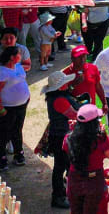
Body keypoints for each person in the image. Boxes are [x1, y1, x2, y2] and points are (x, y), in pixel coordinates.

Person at [65, 103, 109, 214]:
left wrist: (73, 129)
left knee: (76, 210)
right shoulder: (100, 139)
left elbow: (66, 149)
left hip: (74, 178)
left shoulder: (69, 138)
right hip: (94, 180)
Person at [43, 70, 80, 209]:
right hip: (60, 138)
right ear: (59, 87)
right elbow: (74, 115)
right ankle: (58, 197)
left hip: (61, 135)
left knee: (65, 165)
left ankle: (65, 193)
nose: (67, 83)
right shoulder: (59, 100)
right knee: (60, 167)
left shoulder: (58, 96)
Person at [0, 45, 30, 170]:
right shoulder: (1, 72)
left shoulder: (18, 66)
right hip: (7, 107)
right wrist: (0, 108)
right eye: (18, 54)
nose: (20, 56)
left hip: (21, 105)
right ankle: (2, 158)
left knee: (17, 130)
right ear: (12, 57)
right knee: (4, 132)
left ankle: (19, 153)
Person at [63, 45, 107, 109]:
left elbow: (98, 86)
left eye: (84, 56)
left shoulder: (93, 68)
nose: (82, 59)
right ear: (72, 58)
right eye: (79, 57)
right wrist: (73, 85)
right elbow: (62, 96)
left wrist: (104, 103)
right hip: (74, 111)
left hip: (91, 109)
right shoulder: (65, 74)